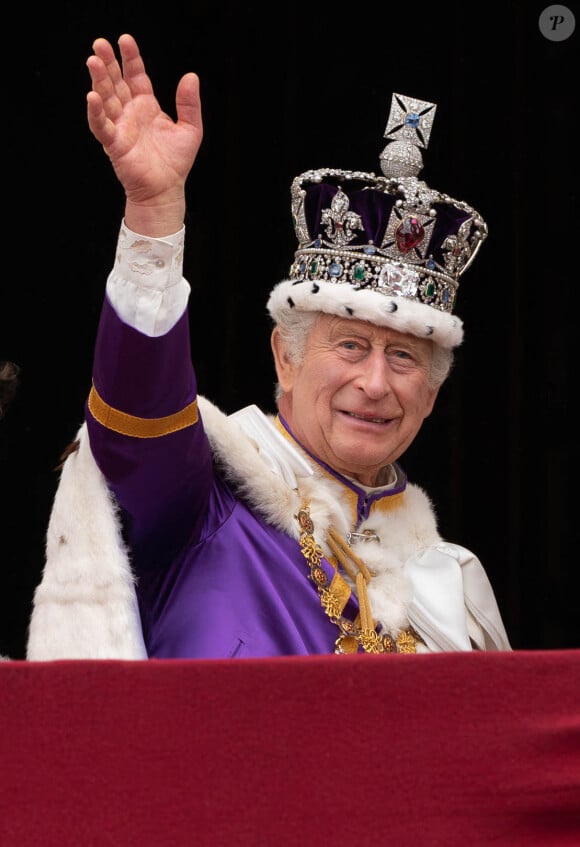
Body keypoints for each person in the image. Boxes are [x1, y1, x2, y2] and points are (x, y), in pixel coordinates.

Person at [26, 33, 511, 660]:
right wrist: (154, 217)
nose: (375, 382)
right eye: (351, 345)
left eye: (404, 357)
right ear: (286, 357)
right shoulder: (207, 499)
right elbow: (138, 416)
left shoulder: (454, 586)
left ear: (432, 393)